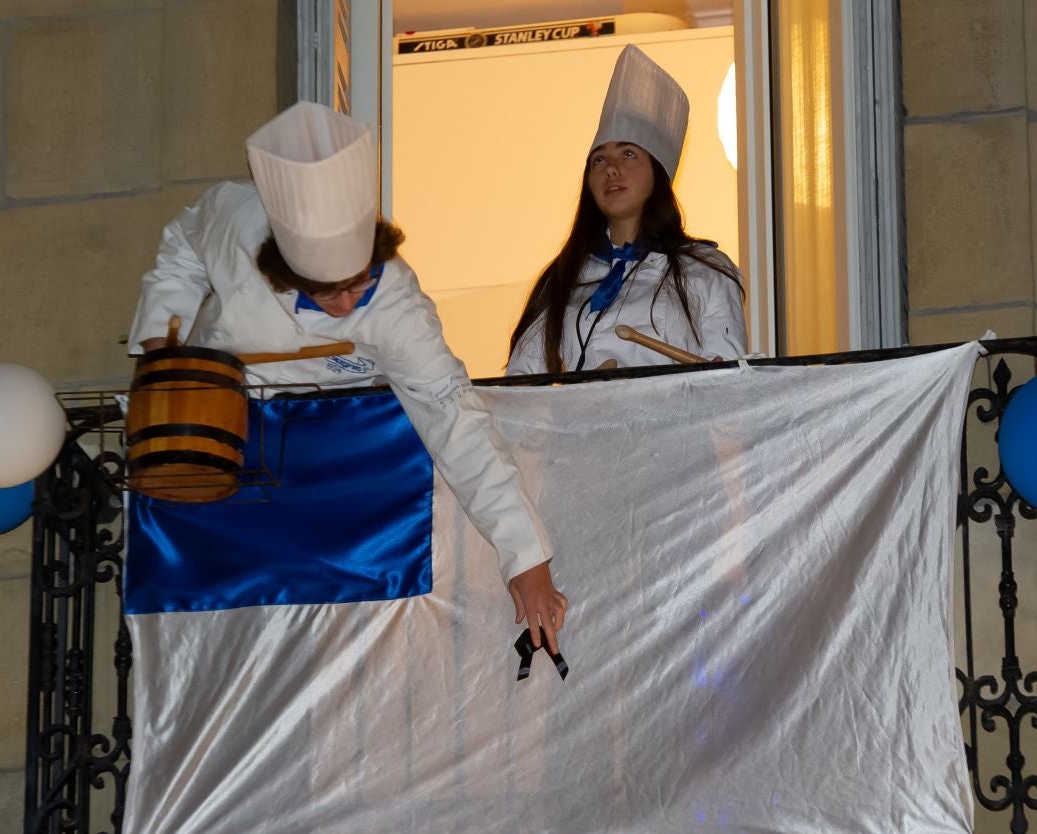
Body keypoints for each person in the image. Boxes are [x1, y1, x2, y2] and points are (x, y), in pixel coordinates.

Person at [129, 101, 568, 652]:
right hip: (221, 434)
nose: (341, 306)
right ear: (281, 267)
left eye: (356, 285)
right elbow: (180, 249)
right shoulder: (235, 222)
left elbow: (455, 419)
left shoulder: (399, 309)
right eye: (322, 291)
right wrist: (162, 340)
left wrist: (525, 559)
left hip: (332, 463)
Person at [507, 45, 746, 375]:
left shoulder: (707, 270)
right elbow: (521, 386)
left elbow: (731, 381)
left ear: (657, 174)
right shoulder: (564, 276)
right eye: (599, 159)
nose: (611, 169)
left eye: (628, 154)